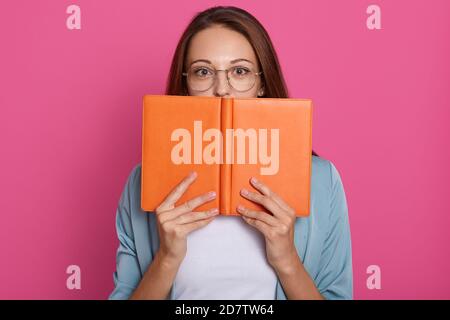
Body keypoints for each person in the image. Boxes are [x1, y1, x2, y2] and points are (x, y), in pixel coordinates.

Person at [108, 5, 353, 300]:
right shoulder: (142, 183)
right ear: (185, 86)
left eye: (240, 71)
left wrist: (287, 260)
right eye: (202, 71)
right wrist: (167, 259)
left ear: (261, 83)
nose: (222, 89)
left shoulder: (322, 181)